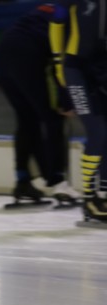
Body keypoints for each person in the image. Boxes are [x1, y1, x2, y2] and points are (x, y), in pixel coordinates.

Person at [0, 3, 79, 205]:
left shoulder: (57, 7)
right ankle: (59, 184)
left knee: (27, 119)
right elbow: (61, 60)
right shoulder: (79, 13)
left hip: (3, 50)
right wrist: (65, 99)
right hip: (28, 53)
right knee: (53, 118)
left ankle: (23, 180)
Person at [50, 0, 107, 221]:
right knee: (97, 131)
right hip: (77, 70)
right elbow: (56, 22)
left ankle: (103, 193)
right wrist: (58, 62)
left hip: (101, 67)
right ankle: (89, 198)